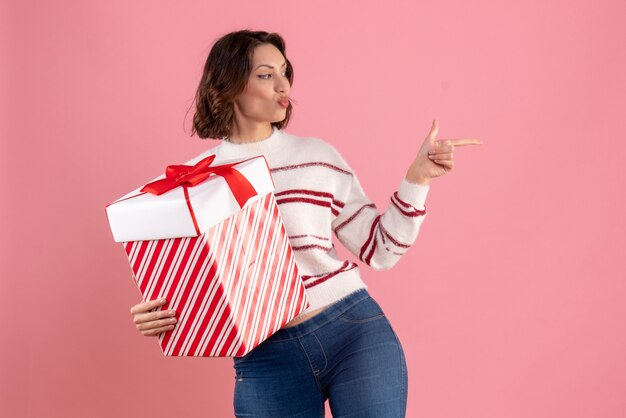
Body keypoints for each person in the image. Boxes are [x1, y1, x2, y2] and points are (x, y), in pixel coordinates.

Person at [128, 29, 482, 417]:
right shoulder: (195, 182)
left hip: (353, 330)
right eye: (266, 75)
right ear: (228, 84)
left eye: (285, 72)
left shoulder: (316, 157)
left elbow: (380, 250)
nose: (284, 85)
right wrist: (164, 314)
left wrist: (418, 179)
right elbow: (196, 281)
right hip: (264, 356)